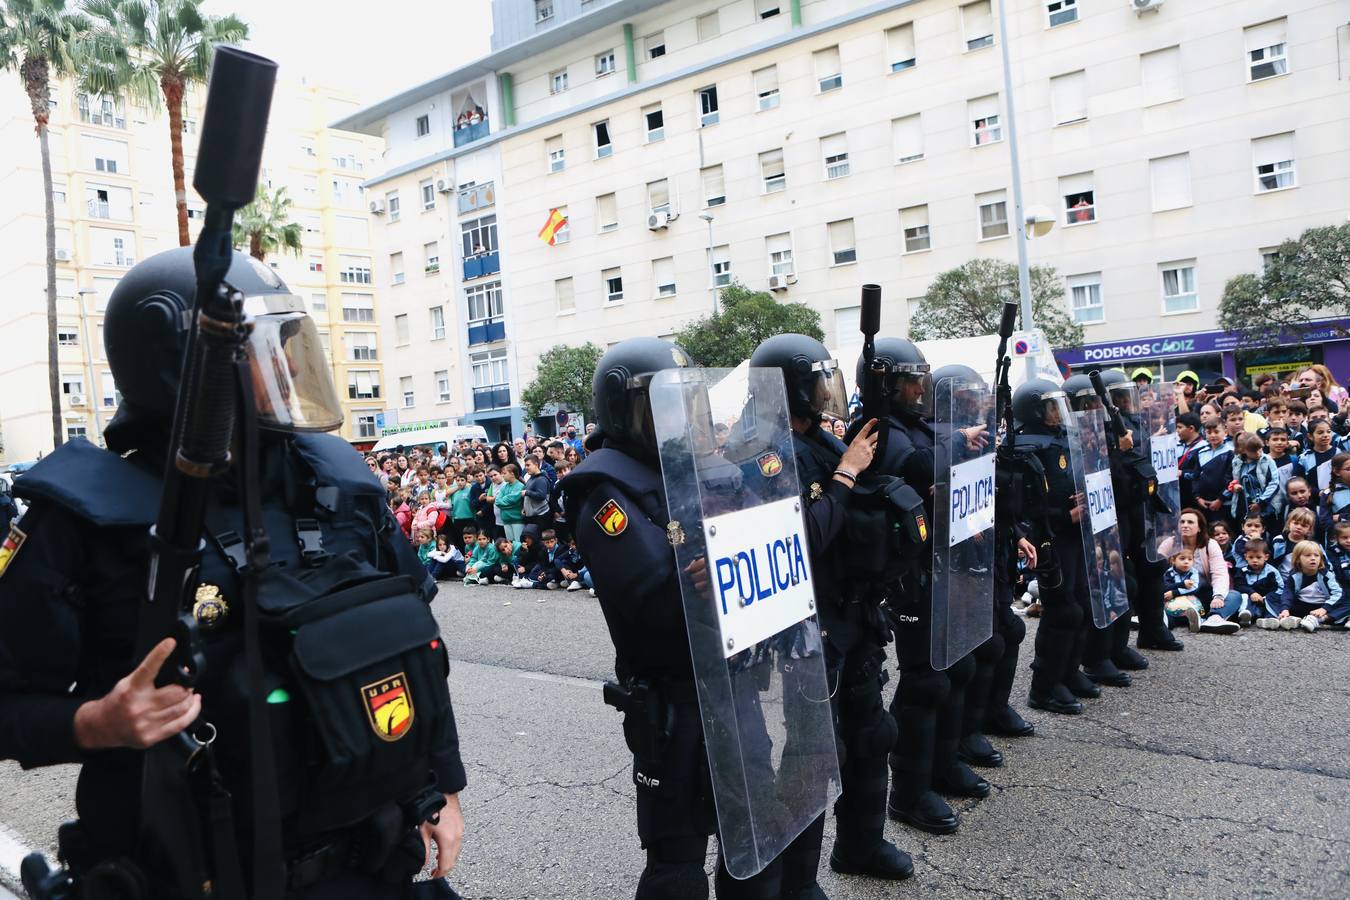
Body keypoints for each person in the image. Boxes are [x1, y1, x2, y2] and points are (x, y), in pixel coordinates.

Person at [0, 249, 464, 897]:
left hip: (374, 859)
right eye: (259, 351)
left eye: (286, 347)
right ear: (181, 369)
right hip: (203, 872)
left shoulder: (337, 483)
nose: (283, 367)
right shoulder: (84, 520)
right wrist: (94, 724)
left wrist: (440, 787)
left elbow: (419, 654)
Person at [566, 338, 810, 898]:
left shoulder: (704, 468)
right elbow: (653, 595)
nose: (678, 418)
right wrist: (704, 573)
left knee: (753, 838)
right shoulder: (605, 487)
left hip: (735, 681)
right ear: (625, 411)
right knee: (677, 863)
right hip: (675, 698)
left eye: (684, 403)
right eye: (663, 405)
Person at [749, 334, 912, 882]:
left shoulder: (816, 437)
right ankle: (798, 880)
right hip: (806, 626)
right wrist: (845, 473)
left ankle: (861, 846)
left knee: (872, 734)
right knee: (814, 755)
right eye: (816, 381)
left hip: (852, 611)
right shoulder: (763, 452)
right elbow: (800, 543)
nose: (825, 391)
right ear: (790, 388)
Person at [857, 338, 988, 836]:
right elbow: (916, 466)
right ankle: (909, 794)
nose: (920, 388)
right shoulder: (877, 431)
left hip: (943, 563)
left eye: (922, 378)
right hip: (905, 575)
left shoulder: (920, 426)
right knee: (925, 680)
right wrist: (957, 445)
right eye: (911, 379)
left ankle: (943, 763)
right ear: (887, 383)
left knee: (957, 663)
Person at [1013, 379, 1096, 714]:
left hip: (1073, 537)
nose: (1058, 413)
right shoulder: (1024, 447)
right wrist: (1065, 514)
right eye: (1051, 406)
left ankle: (1068, 670)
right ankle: (1044, 687)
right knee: (1063, 610)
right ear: (1034, 410)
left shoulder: (1064, 438)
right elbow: (1025, 507)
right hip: (1050, 539)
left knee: (1079, 603)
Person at [1263, 541, 1347, 631]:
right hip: (1301, 605)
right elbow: (1288, 593)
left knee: (1346, 602)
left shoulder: (1327, 575)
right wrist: (1285, 608)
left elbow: (1338, 594)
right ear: (1298, 559)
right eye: (1308, 555)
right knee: (1271, 597)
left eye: (1316, 555)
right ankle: (1284, 618)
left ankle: (1320, 619)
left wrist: (1324, 609)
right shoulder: (1294, 575)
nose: (1313, 558)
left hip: (1322, 606)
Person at [1231, 538, 1283, 625]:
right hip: (1251, 600)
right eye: (1251, 557)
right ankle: (1246, 615)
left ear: (1266, 557)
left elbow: (1279, 588)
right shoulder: (1242, 571)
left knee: (1273, 597)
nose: (1254, 560)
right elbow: (1239, 586)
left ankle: (1270, 618)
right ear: (1245, 557)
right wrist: (1251, 593)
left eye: (1258, 557)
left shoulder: (1272, 572)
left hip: (1266, 600)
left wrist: (1265, 598)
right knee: (1243, 595)